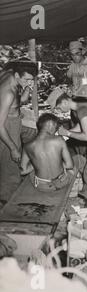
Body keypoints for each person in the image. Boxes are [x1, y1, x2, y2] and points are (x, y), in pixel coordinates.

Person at [0, 59, 38, 205]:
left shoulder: (8, 73)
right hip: (6, 126)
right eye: (26, 79)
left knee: (31, 132)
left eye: (31, 79)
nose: (29, 81)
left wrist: (28, 88)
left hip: (12, 120)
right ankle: (8, 202)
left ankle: (26, 167)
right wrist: (13, 148)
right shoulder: (8, 91)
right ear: (17, 75)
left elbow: (20, 100)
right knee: (11, 163)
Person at [20, 113, 75, 192]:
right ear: (51, 126)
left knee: (31, 173)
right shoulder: (59, 140)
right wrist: (56, 162)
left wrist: (36, 164)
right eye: (56, 127)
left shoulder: (27, 146)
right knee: (78, 160)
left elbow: (23, 171)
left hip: (42, 187)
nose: (56, 130)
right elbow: (69, 165)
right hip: (62, 182)